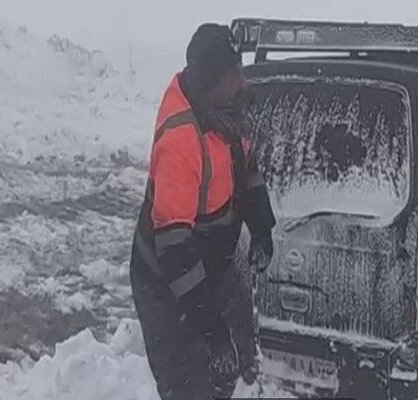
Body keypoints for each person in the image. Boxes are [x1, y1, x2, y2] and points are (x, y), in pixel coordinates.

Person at [129, 23, 276, 400]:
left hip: (211, 264)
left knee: (229, 373)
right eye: (233, 74)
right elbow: (176, 253)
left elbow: (248, 170)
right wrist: (213, 331)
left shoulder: (228, 113)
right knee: (190, 384)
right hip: (165, 281)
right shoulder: (180, 143)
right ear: (211, 82)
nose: (243, 81)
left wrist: (262, 226)